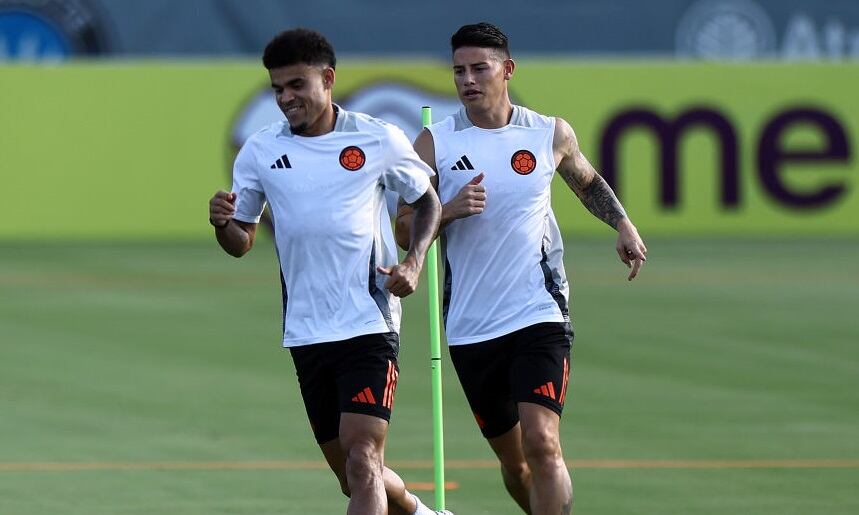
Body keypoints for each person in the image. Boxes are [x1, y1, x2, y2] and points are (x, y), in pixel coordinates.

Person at [395, 23, 647, 515]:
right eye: (458, 71)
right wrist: (446, 210)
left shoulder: (547, 132)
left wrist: (623, 224)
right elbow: (405, 228)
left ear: (506, 70)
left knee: (544, 442)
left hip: (539, 314)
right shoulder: (433, 143)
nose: (467, 80)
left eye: (478, 68)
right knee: (517, 466)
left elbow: (586, 181)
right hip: (471, 326)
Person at [208, 28, 451, 515]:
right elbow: (242, 240)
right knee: (356, 476)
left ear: (328, 78)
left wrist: (414, 261)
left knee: (364, 457)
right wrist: (221, 224)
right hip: (305, 330)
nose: (286, 98)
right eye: (277, 88)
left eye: (297, 85)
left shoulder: (376, 137)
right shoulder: (259, 151)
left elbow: (426, 200)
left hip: (368, 321)